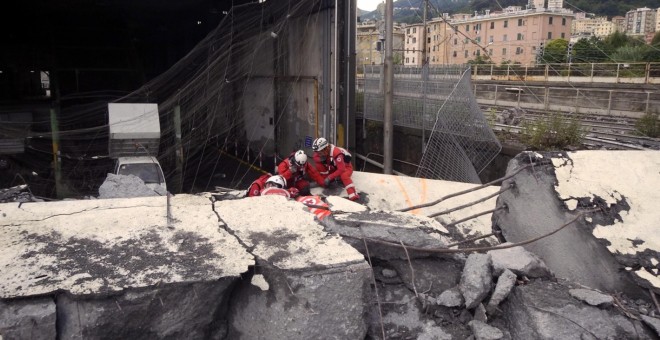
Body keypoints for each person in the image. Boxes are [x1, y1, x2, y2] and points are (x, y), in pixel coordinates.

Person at [311, 137, 360, 201]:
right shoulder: (323, 152)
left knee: (344, 175)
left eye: (319, 152)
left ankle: (353, 195)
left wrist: (329, 177)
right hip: (335, 167)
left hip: (346, 168)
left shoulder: (336, 152)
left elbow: (341, 169)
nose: (318, 154)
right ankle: (323, 182)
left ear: (325, 148)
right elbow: (315, 157)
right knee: (319, 164)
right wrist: (320, 160)